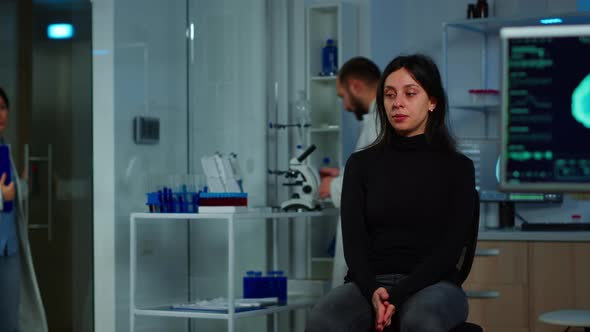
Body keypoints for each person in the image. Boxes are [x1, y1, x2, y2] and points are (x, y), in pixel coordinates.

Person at [306, 54, 476, 332]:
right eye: (389, 94)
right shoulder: (361, 165)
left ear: (432, 101)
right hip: (368, 285)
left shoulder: (458, 168)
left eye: (410, 94)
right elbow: (354, 245)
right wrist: (374, 290)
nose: (397, 103)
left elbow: (449, 252)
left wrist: (398, 294)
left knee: (421, 321)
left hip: (435, 285)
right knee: (323, 320)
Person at [317, 56, 381, 289]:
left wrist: (331, 186)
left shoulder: (379, 120)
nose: (345, 106)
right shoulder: (376, 119)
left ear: (355, 86)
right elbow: (368, 167)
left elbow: (373, 181)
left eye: (343, 96)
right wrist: (341, 174)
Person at [0, 87, 47, 332]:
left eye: (2, 107)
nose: (0, 115)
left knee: (10, 318)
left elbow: (11, 194)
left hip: (9, 249)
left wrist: (23, 186)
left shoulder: (4, 149)